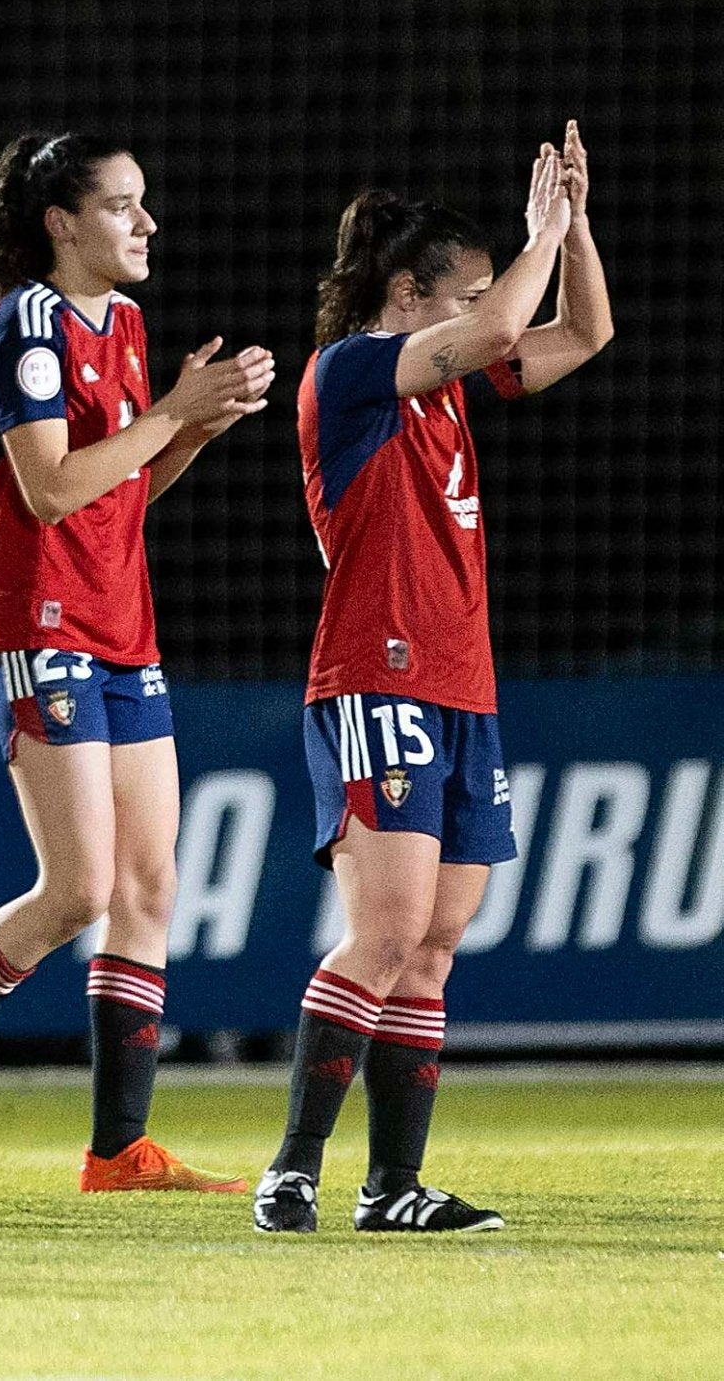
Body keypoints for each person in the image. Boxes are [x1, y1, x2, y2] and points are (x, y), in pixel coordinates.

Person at [0, 134, 269, 1188]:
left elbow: (114, 493)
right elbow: (46, 489)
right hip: (35, 625)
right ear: (60, 223)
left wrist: (192, 431)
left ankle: (117, 1148)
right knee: (79, 885)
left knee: (145, 885)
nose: (144, 224)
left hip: (118, 626)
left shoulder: (123, 324)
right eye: (122, 206)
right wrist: (171, 413)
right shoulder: (22, 327)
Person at [256, 129, 610, 1237]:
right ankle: (291, 1172)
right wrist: (537, 234)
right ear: (406, 293)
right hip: (379, 674)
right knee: (387, 927)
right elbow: (504, 321)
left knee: (438, 940)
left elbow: (584, 331)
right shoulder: (351, 371)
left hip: (462, 687)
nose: (476, 312)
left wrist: (577, 226)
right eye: (454, 292)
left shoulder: (447, 383)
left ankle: (390, 1186)